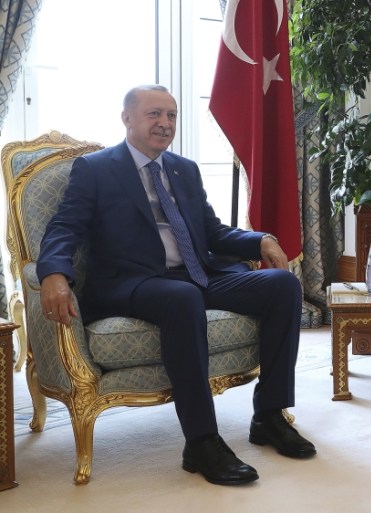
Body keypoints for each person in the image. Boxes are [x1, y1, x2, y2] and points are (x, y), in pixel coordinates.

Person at [37, 84, 316, 486]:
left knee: (281, 286)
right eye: (154, 114)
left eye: (171, 115)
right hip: (133, 281)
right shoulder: (96, 169)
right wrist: (53, 273)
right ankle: (202, 441)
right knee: (182, 297)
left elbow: (212, 232)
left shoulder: (184, 169)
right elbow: (64, 227)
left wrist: (261, 240)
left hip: (198, 273)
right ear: (127, 118)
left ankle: (269, 416)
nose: (165, 124)